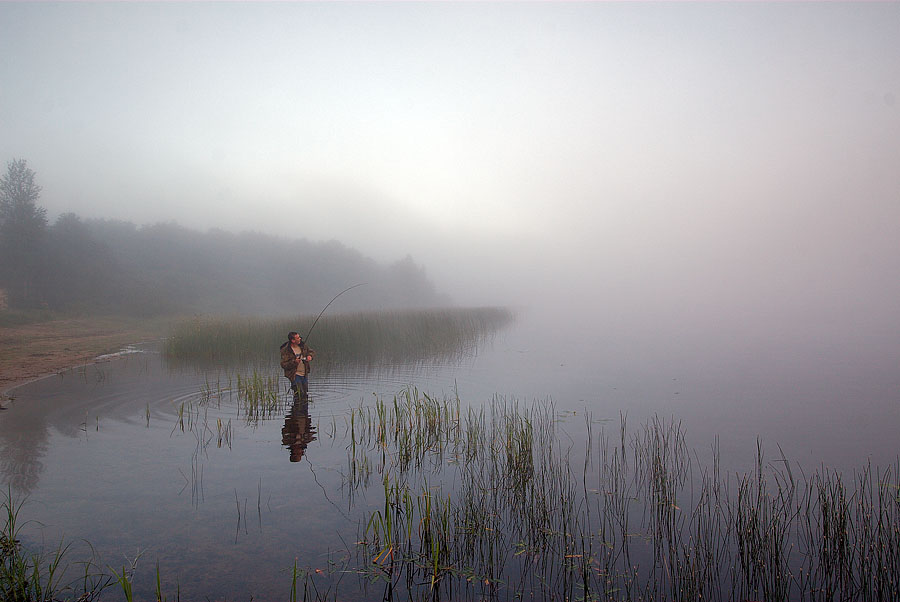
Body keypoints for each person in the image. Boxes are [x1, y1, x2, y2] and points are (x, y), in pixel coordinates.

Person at [279, 331, 315, 398]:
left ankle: (304, 408)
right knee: (299, 394)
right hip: (295, 375)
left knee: (304, 394)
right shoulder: (286, 350)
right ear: (293, 340)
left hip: (304, 374)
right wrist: (294, 362)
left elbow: (311, 352)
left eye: (299, 337)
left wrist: (310, 356)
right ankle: (296, 407)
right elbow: (283, 365)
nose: (300, 339)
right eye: (298, 338)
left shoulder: (302, 346)